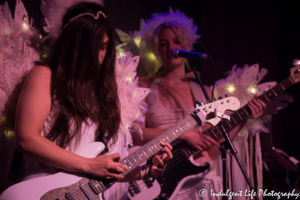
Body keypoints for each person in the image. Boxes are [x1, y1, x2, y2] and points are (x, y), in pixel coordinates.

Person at [0, 1, 173, 199]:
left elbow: (104, 170)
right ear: (73, 46)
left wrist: (148, 171)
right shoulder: (44, 76)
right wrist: (90, 165)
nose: (99, 56)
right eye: (92, 48)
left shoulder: (108, 93)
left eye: (104, 47)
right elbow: (26, 139)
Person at [132, 9, 266, 199]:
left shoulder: (205, 91)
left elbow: (210, 150)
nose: (170, 47)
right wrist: (182, 132)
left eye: (176, 41)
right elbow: (136, 135)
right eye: (163, 43)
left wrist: (243, 119)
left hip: (197, 184)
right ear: (156, 49)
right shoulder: (144, 85)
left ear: (186, 44)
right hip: (156, 179)